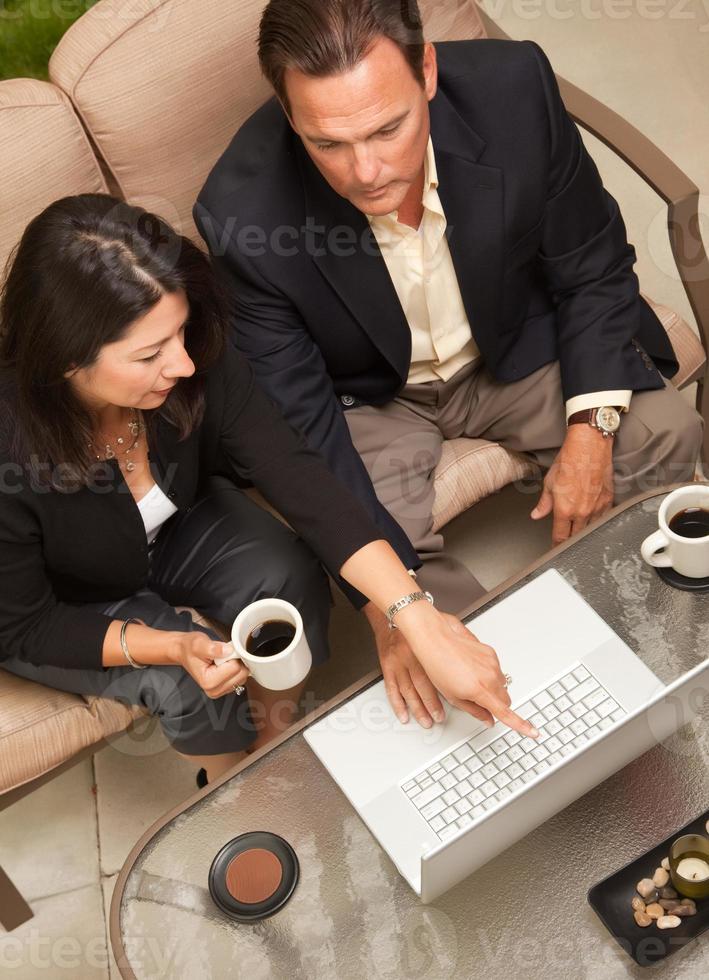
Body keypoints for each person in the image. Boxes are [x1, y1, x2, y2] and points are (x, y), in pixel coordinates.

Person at [194, 0, 703, 730]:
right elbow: (300, 430)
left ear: (426, 70)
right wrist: (394, 613)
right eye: (328, 144)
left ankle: (648, 644)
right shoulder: (241, 213)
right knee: (393, 573)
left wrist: (589, 433)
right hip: (366, 397)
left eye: (386, 128)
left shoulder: (515, 90)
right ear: (286, 112)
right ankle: (530, 706)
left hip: (514, 344)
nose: (367, 172)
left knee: (666, 434)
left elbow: (590, 268)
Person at [0, 194, 538, 787]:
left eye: (179, 333)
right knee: (183, 677)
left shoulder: (193, 354)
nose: (182, 364)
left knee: (289, 576)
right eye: (150, 354)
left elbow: (295, 471)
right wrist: (171, 647)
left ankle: (269, 744)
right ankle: (233, 789)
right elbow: (24, 625)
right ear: (63, 360)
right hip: (57, 598)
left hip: (176, 522)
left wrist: (414, 616)